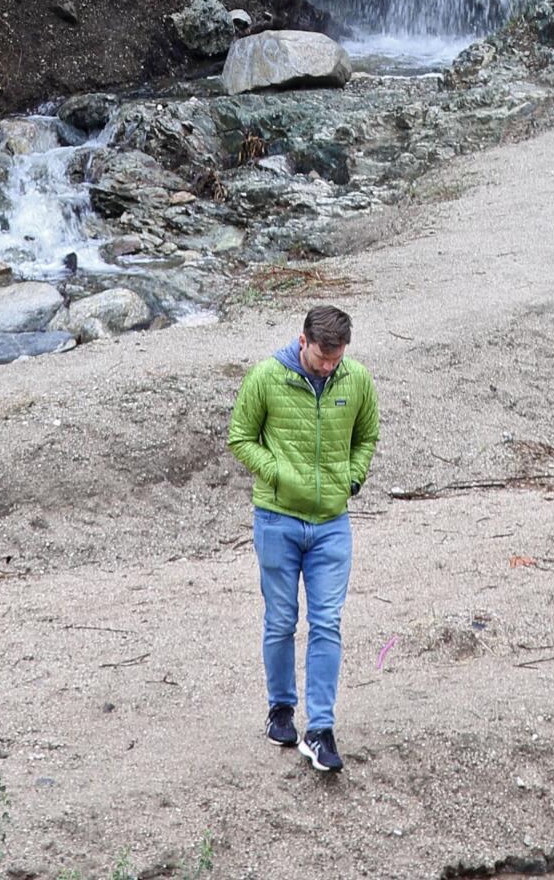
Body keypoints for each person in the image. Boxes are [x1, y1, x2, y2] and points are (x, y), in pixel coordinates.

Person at [227, 300, 380, 775]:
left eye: (336, 359)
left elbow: (367, 436)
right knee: (280, 621)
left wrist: (351, 480)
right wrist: (277, 475)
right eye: (321, 359)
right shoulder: (265, 378)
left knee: (327, 623)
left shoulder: (356, 380)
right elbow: (239, 436)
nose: (329, 366)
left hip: (333, 523)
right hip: (277, 519)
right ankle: (281, 710)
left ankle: (321, 729)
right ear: (303, 342)